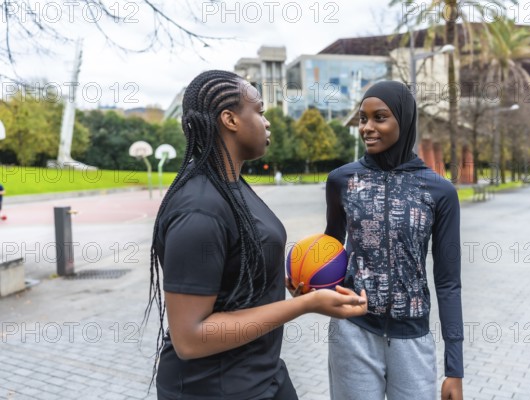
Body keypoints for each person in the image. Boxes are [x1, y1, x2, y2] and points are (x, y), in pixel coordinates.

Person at [143, 70, 367, 400]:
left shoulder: (230, 184)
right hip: (211, 389)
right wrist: (306, 305)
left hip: (261, 375)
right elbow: (190, 338)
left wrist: (281, 283)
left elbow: (236, 277)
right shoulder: (199, 209)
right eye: (260, 111)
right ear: (230, 119)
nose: (268, 122)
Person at [324, 81, 464, 400]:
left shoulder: (439, 191)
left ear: (404, 120)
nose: (367, 128)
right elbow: (330, 253)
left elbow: (448, 282)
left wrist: (454, 369)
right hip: (353, 334)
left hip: (412, 339)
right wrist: (308, 284)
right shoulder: (341, 181)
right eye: (363, 118)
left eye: (380, 117)